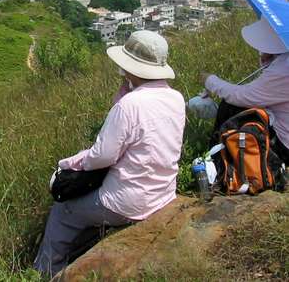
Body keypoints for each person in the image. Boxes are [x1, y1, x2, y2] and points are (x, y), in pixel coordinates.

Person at [34, 31, 186, 277]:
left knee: (63, 210)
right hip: (163, 192)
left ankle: (45, 272)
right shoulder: (175, 98)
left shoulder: (129, 105)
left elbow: (103, 156)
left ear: (131, 68)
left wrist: (70, 162)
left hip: (127, 202)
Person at [201, 17, 289, 164]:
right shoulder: (284, 62)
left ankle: (217, 160)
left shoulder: (283, 69)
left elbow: (241, 96)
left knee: (230, 107)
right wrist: (269, 58)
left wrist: (209, 80)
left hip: (284, 145)